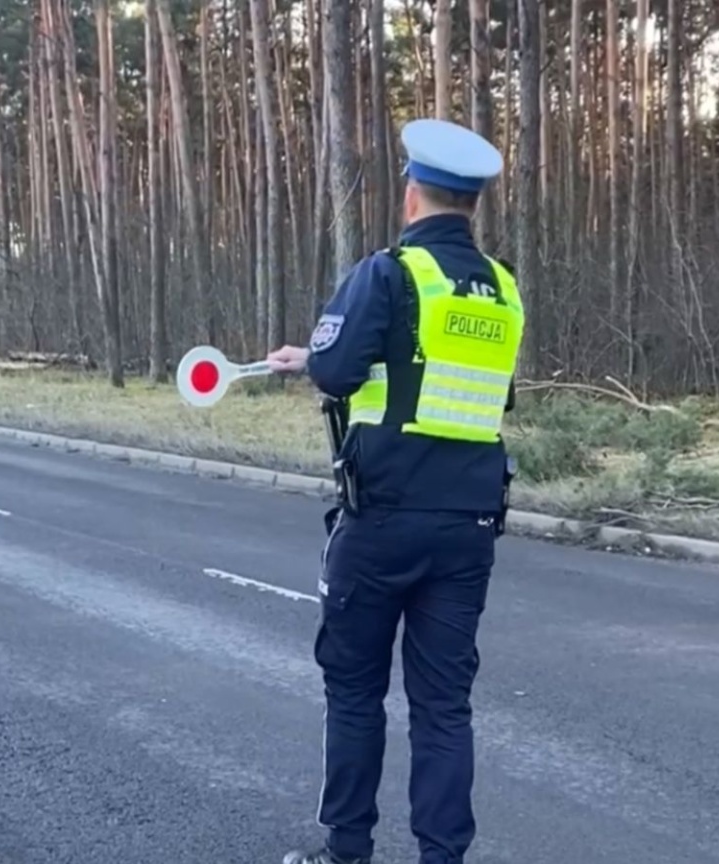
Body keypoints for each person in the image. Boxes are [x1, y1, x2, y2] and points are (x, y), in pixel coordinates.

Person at [267, 118, 525, 864]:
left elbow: (337, 371)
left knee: (354, 690)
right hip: (469, 522)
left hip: (381, 516)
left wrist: (314, 358)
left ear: (412, 193)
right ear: (471, 203)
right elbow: (462, 384)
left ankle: (347, 850)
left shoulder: (388, 272)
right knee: (444, 706)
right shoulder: (503, 288)